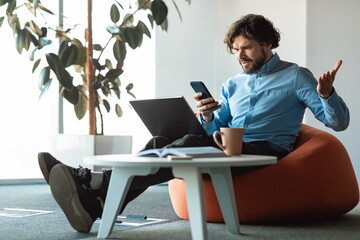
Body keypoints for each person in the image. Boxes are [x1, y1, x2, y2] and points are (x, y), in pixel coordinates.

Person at [38, 14, 349, 233]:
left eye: (248, 47)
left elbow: (338, 122)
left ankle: (93, 184)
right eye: (236, 49)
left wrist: (326, 93)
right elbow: (216, 131)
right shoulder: (232, 84)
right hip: (230, 147)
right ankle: (99, 201)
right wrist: (210, 116)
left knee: (187, 145)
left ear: (268, 44)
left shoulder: (296, 76)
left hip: (267, 152)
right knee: (162, 141)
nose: (240, 55)